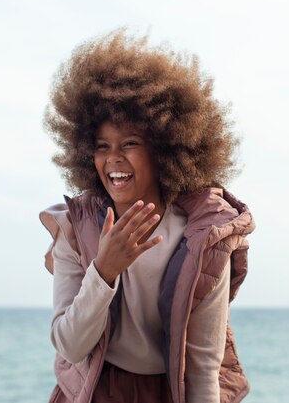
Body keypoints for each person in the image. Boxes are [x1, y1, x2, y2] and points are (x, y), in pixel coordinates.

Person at [39, 29, 255, 403]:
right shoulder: (74, 227)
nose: (114, 159)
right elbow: (70, 346)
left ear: (164, 148)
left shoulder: (205, 237)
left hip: (168, 392)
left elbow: (203, 366)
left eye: (130, 144)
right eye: (102, 147)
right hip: (94, 392)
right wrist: (104, 270)